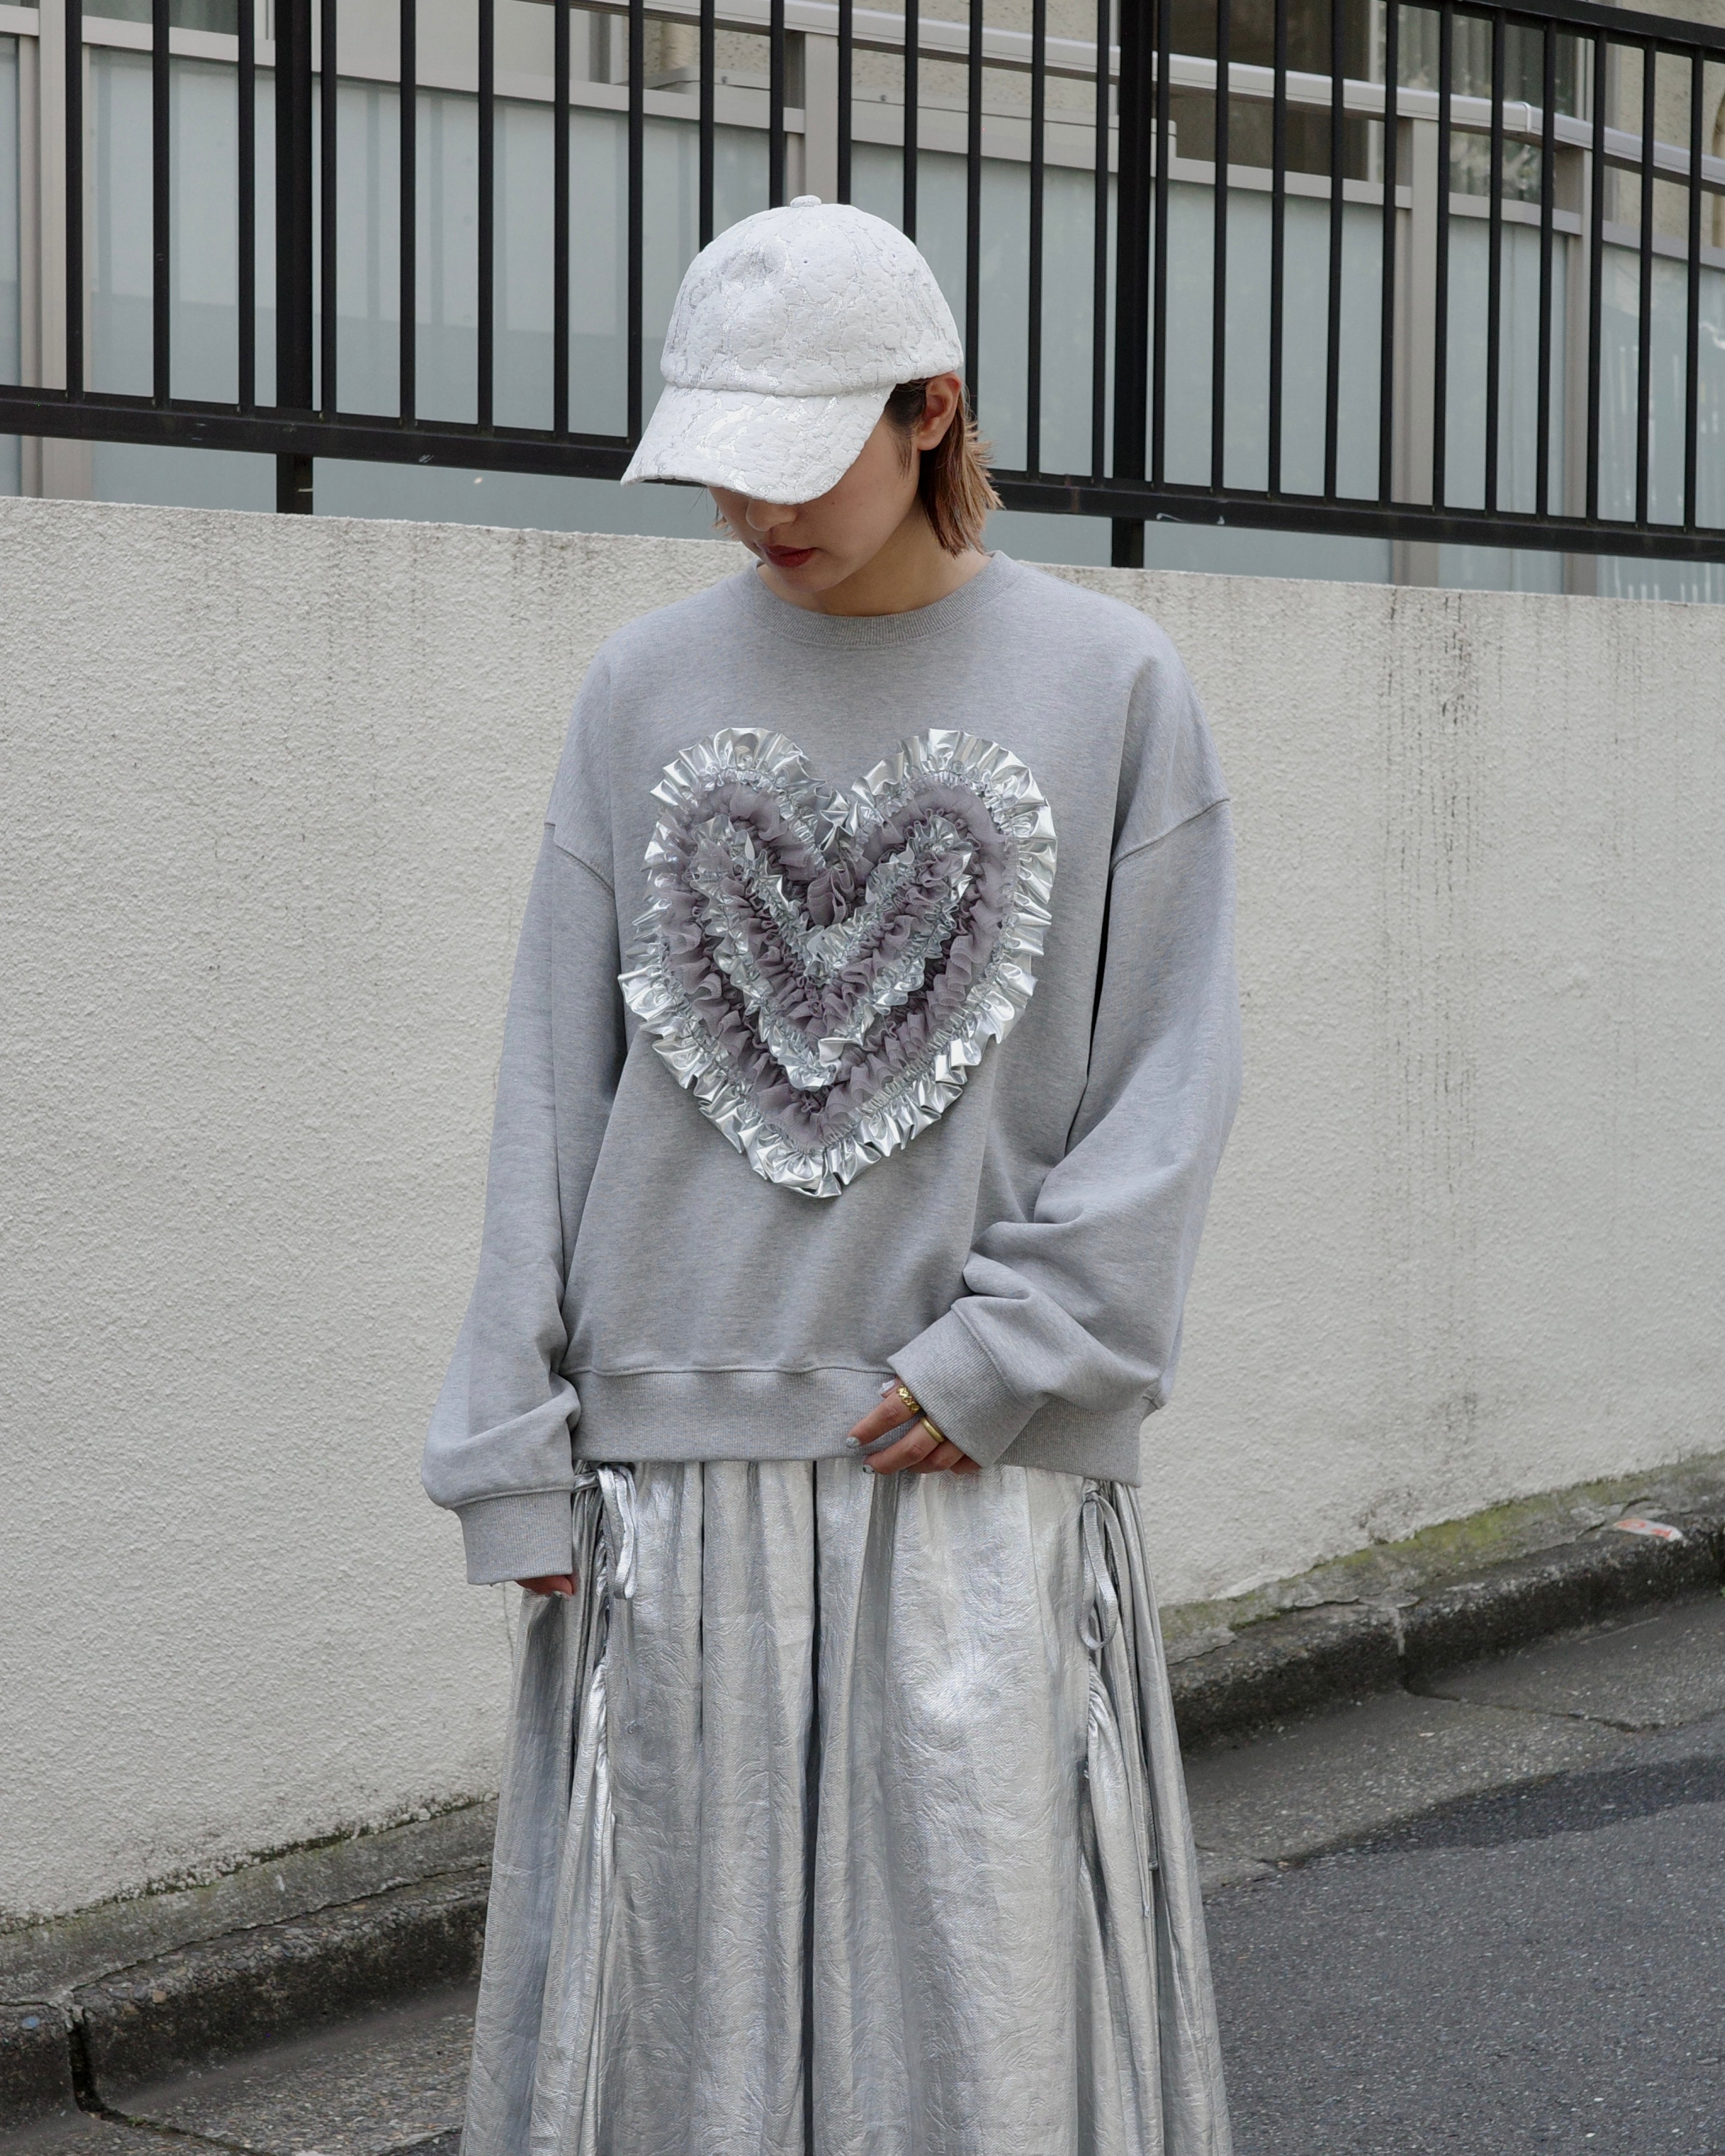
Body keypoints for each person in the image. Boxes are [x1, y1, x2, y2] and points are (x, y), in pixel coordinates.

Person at [423, 196, 1241, 2156]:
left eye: (798, 459)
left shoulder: (1112, 685)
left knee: (979, 2037)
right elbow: (553, 1078)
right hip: (670, 1493)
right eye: (721, 464)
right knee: (679, 2047)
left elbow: (1171, 1075)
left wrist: (1015, 1354)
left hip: (968, 1471)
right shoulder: (638, 688)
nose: (755, 510)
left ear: (929, 408)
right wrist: (511, 1440)